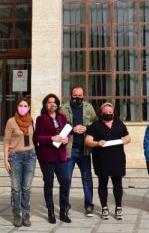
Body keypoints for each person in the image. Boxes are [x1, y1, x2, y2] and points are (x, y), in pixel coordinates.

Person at [85, 102, 131, 220]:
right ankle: (104, 207)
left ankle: (118, 207)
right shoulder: (95, 125)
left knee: (117, 184)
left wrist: (125, 140)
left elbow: (128, 137)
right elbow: (87, 141)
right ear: (101, 113)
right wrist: (97, 143)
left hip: (117, 159)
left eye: (110, 112)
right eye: (106, 112)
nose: (108, 114)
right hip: (101, 159)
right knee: (103, 183)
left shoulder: (119, 124)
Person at [34, 94, 72, 224]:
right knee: (49, 183)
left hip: (61, 155)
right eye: (49, 102)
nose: (52, 104)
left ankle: (63, 211)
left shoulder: (62, 117)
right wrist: (51, 138)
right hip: (47, 156)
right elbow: (37, 138)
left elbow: (67, 133)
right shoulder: (41, 119)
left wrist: (67, 139)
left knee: (65, 181)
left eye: (54, 102)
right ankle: (50, 211)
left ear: (57, 104)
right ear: (45, 104)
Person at [60, 86, 97, 217]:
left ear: (83, 96)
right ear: (71, 95)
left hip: (84, 150)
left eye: (80, 95)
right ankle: (65, 205)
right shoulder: (63, 108)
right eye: (75, 95)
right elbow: (59, 127)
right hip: (69, 149)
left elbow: (95, 123)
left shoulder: (88, 107)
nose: (77, 98)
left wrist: (86, 128)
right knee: (66, 178)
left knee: (87, 178)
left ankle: (89, 205)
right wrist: (72, 130)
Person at [3, 98, 36, 227]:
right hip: (15, 157)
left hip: (30, 157)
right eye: (21, 105)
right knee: (16, 188)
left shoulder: (31, 121)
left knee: (26, 188)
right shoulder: (11, 122)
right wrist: (5, 160)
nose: (23, 107)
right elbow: (6, 142)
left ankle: (26, 214)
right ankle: (17, 213)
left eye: (25, 105)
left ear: (29, 108)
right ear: (17, 107)